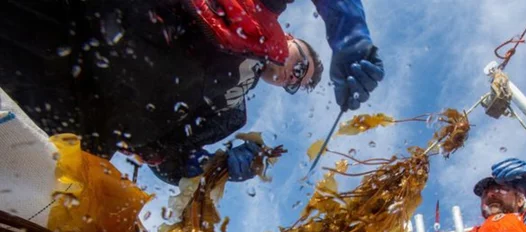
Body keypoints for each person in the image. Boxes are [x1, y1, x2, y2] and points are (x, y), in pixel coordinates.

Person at [0, 0, 384, 185]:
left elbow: (168, 160)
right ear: (294, 37)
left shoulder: (231, 115)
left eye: (296, 85)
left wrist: (214, 167)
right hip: (79, 20)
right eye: (300, 66)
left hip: (73, 125)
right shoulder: (263, 5)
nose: (290, 76)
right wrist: (349, 32)